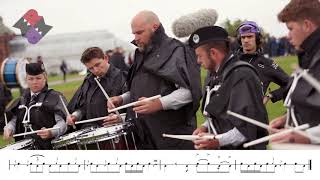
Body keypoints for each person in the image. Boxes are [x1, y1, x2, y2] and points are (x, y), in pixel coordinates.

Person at [107, 10, 202, 150]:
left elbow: (190, 92)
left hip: (173, 137)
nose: (135, 38)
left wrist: (159, 104)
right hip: (145, 136)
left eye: (139, 32)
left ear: (155, 27)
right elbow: (140, 90)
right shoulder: (140, 54)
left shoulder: (177, 50)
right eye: (134, 33)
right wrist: (122, 99)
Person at [190, 26, 268, 150]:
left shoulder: (242, 75)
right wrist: (205, 126)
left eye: (199, 56)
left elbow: (247, 127)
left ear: (213, 53)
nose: (198, 61)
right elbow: (221, 112)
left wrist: (217, 141)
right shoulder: (214, 74)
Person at [270, 0, 320, 144]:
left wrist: (309, 136)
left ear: (307, 25)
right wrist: (287, 118)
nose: (288, 36)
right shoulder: (308, 55)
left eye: (290, 28)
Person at [3, 63, 68, 149]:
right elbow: (14, 121)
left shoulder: (55, 97)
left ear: (45, 78)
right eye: (31, 79)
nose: (35, 82)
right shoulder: (21, 99)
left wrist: (51, 132)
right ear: (26, 79)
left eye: (38, 78)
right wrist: (9, 128)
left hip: (50, 148)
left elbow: (63, 123)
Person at [67, 47, 127, 129]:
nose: (95, 70)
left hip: (117, 131)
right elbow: (83, 107)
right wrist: (75, 116)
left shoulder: (123, 77)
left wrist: (122, 118)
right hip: (91, 131)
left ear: (106, 58)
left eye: (97, 65)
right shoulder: (88, 81)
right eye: (90, 68)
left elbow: (134, 107)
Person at [236, 21, 289, 104]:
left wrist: (271, 95)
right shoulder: (231, 61)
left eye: (250, 37)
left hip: (255, 115)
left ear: (257, 39)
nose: (246, 40)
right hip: (229, 114)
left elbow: (291, 84)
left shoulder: (267, 63)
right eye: (243, 37)